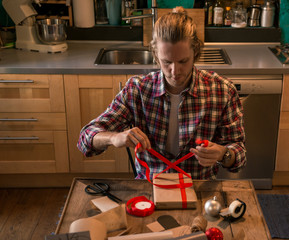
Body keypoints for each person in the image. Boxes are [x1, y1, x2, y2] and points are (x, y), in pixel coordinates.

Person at [77, 7, 246, 180]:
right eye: (166, 62)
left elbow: (239, 155)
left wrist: (223, 154)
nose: (175, 71)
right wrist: (114, 138)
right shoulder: (137, 90)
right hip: (150, 190)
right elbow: (85, 139)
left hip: (199, 189)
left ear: (195, 52)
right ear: (156, 56)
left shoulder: (222, 91)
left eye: (183, 61)